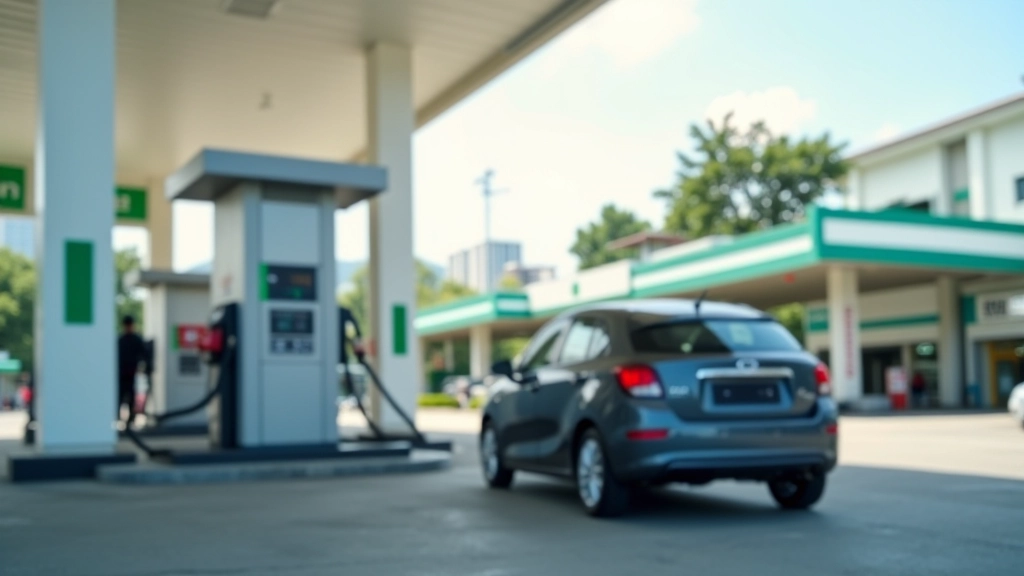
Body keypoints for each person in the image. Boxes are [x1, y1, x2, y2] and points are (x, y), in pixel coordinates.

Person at [117, 315, 147, 427]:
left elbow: (144, 355)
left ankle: (130, 419)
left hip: (132, 374)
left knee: (131, 397)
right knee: (119, 397)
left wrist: (143, 367)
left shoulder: (137, 340)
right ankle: (119, 418)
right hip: (120, 374)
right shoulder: (120, 340)